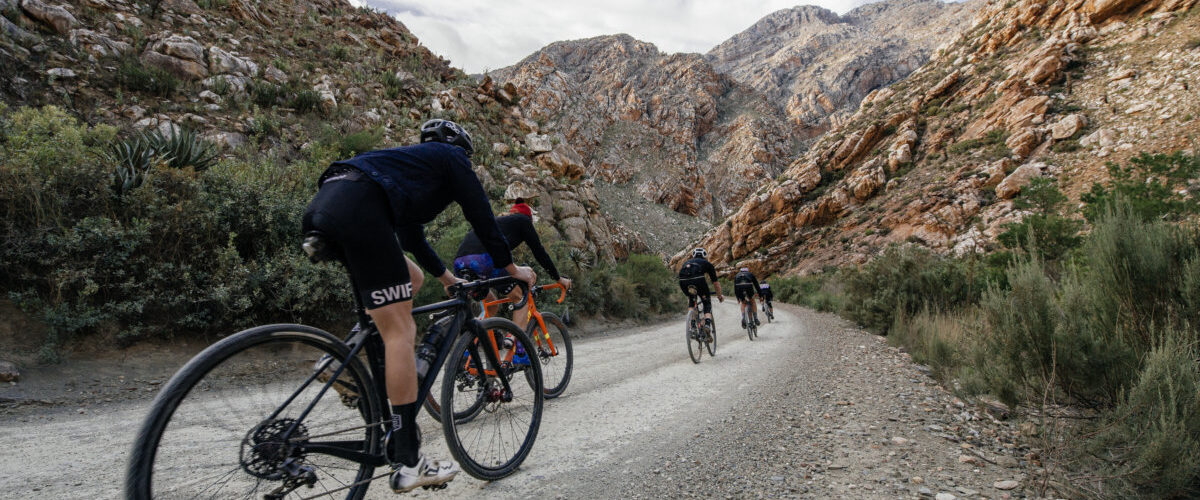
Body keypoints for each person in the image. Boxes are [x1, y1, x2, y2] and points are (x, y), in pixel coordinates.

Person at [301, 119, 535, 493]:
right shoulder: (451, 158)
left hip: (327, 204)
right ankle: (410, 461)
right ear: (460, 148)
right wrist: (513, 268)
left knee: (412, 279)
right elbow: (483, 219)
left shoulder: (406, 169)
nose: (467, 163)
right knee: (401, 330)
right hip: (360, 206)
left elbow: (412, 239)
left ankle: (345, 360)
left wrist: (448, 279)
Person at [453, 199, 571, 331]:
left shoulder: (497, 222)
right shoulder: (523, 220)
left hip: (460, 261)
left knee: (491, 304)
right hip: (485, 259)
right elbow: (539, 253)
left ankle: (474, 339)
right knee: (520, 297)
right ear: (529, 218)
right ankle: (517, 342)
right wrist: (558, 278)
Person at [677, 248, 723, 335]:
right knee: (706, 303)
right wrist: (719, 296)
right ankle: (707, 325)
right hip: (699, 281)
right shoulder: (707, 263)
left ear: (693, 256)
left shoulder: (686, 262)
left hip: (683, 282)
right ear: (705, 256)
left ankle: (693, 326)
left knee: (691, 301)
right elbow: (716, 283)